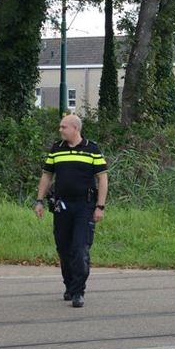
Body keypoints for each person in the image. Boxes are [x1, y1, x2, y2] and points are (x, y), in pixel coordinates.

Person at [34, 114, 108, 308]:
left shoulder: (92, 149)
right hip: (62, 205)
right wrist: (39, 201)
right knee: (64, 247)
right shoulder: (56, 149)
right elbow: (47, 176)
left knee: (80, 248)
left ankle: (78, 292)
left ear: (75, 128)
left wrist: (100, 206)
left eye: (63, 127)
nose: (60, 130)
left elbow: (102, 179)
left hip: (85, 206)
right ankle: (69, 285)